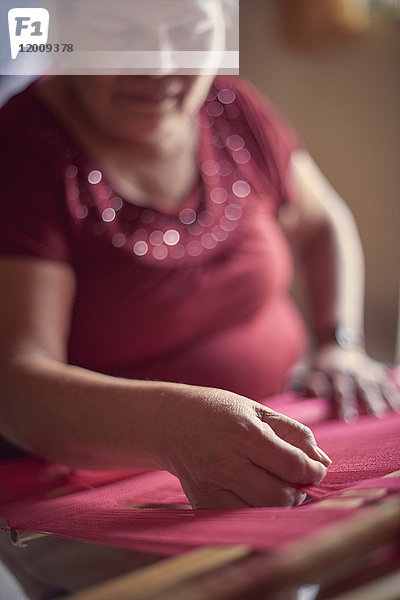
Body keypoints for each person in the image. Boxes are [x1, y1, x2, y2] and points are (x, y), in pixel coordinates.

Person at [0, 0, 399, 597]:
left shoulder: (230, 105)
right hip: (106, 478)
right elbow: (15, 386)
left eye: (190, 32)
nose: (161, 64)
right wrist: (174, 428)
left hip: (287, 406)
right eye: (119, 31)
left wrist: (336, 341)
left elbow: (321, 223)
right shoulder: (23, 154)